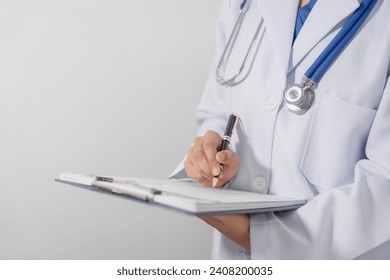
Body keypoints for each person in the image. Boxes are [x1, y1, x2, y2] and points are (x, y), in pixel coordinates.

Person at [170, 0, 390, 259]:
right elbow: (218, 111)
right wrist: (209, 159)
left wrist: (262, 235)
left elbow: (385, 179)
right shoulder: (242, 4)